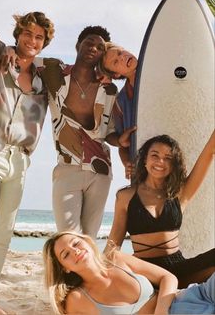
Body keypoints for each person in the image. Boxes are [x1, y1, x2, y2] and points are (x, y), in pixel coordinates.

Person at [0, 0, 55, 313]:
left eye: (39, 37)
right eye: (27, 33)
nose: (32, 40)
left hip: (20, 161)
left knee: (2, 233)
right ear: (18, 33)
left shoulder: (47, 77)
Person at [40, 27, 134, 239]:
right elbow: (25, 59)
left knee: (89, 239)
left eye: (100, 47)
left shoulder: (109, 90)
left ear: (103, 55)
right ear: (78, 45)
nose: (93, 48)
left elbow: (108, 133)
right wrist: (9, 50)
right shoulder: (53, 70)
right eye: (89, 42)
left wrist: (120, 139)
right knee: (68, 237)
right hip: (67, 167)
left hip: (100, 171)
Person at [104, 130, 215, 288]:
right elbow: (113, 243)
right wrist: (97, 274)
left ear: (173, 164)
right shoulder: (125, 196)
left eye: (168, 158)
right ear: (144, 160)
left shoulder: (180, 193)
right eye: (154, 155)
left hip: (179, 270)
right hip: (145, 273)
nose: (160, 162)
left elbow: (210, 151)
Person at [43, 231, 215, 315]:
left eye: (76, 243)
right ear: (65, 267)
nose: (74, 251)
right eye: (65, 254)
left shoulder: (116, 258)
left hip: (193, 296)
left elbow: (167, 277)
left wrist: (161, 311)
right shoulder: (77, 299)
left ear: (87, 242)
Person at [99, 42, 138, 179]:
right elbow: (123, 146)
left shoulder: (158, 69)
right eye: (116, 62)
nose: (122, 57)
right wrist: (127, 163)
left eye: (121, 52)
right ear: (116, 75)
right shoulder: (120, 102)